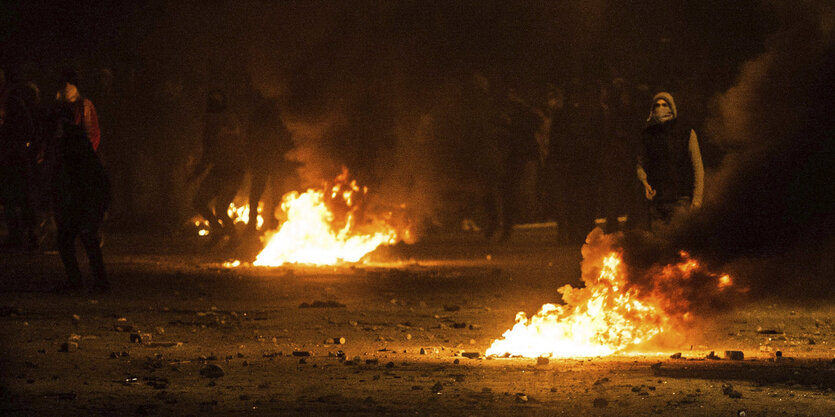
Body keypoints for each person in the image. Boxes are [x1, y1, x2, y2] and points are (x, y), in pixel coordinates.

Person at [50, 69, 110, 292]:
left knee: (84, 236)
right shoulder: (58, 109)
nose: (66, 87)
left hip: (84, 189)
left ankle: (98, 282)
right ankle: (80, 281)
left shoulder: (84, 106)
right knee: (72, 238)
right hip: (76, 190)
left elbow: (93, 133)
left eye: (69, 84)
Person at [636, 92, 704, 230]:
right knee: (659, 245)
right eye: (657, 105)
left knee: (680, 243)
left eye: (664, 105)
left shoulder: (686, 133)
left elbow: (698, 167)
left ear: (671, 107)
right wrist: (645, 183)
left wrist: (697, 199)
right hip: (658, 200)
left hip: (681, 199)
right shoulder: (648, 135)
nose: (660, 108)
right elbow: (640, 164)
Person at [191, 89, 246, 244]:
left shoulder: (218, 123)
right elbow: (210, 153)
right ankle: (218, 231)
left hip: (232, 172)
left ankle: (232, 237)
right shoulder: (229, 119)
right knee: (201, 203)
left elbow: (208, 153)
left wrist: (196, 173)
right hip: (223, 171)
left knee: (219, 209)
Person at [245, 93, 294, 235]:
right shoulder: (274, 117)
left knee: (268, 195)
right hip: (267, 160)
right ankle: (263, 224)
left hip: (271, 161)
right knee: (266, 195)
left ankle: (267, 224)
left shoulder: (264, 116)